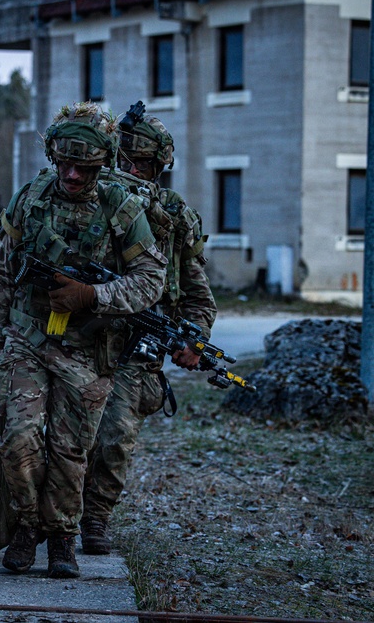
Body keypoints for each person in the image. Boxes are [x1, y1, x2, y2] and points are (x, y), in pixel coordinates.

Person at [0, 101, 167, 578]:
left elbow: (152, 281)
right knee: (18, 439)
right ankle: (27, 525)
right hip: (27, 336)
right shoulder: (31, 198)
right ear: (53, 156)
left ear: (101, 164)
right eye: (64, 163)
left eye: (83, 168)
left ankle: (62, 536)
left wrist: (92, 295)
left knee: (70, 450)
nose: (71, 175)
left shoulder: (121, 208)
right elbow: (3, 272)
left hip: (88, 348)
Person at [79, 102, 217, 555]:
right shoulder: (88, 200)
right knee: (65, 435)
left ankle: (95, 519)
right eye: (125, 161)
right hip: (81, 335)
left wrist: (194, 340)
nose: (132, 172)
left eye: (142, 164)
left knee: (115, 439)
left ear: (160, 167)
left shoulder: (173, 216)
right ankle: (51, 518)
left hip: (137, 347)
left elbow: (198, 297)